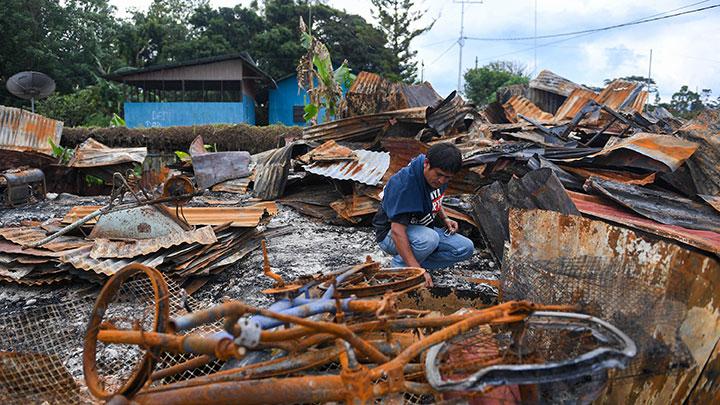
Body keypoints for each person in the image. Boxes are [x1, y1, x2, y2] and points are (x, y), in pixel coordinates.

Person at [372, 143, 474, 287]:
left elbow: (433, 197)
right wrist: (418, 271)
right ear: (426, 164)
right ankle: (401, 268)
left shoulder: (436, 178)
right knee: (429, 239)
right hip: (389, 234)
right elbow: (397, 231)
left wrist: (445, 218)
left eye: (447, 177)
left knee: (465, 248)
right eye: (439, 175)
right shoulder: (406, 186)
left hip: (420, 230)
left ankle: (412, 262)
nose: (442, 181)